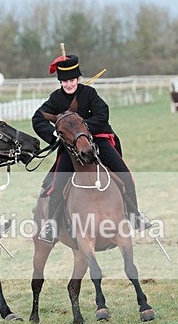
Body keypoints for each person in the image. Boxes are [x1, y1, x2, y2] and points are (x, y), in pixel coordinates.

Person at [31, 53, 152, 244]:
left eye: (71, 80)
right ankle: (51, 227)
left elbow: (102, 114)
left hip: (97, 141)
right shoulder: (55, 99)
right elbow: (38, 118)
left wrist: (82, 130)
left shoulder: (90, 94)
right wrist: (55, 135)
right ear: (60, 82)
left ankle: (135, 217)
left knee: (126, 175)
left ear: (78, 79)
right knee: (56, 186)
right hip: (70, 149)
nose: (69, 84)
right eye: (64, 81)